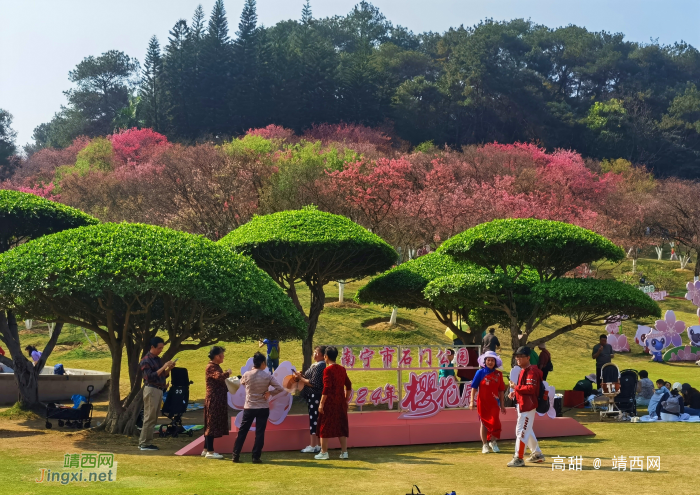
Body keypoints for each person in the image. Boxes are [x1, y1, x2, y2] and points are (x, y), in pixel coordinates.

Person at [232, 352, 284, 464]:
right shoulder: (267, 376)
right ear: (263, 363)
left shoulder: (247, 374)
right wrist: (269, 393)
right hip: (263, 407)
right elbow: (279, 388)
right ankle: (256, 457)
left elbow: (242, 383)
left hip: (249, 406)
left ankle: (235, 455)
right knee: (260, 433)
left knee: (243, 431)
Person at [507, 346, 545, 467]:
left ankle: (518, 457)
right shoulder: (525, 370)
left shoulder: (531, 371)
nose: (518, 358)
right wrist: (516, 392)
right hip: (525, 404)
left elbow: (530, 388)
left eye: (521, 356)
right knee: (526, 430)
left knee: (521, 431)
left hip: (528, 405)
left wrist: (515, 387)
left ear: (528, 358)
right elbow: (527, 388)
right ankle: (537, 454)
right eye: (517, 356)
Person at [315, 346, 352, 460]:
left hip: (330, 402)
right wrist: (345, 400)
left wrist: (321, 403)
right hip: (340, 402)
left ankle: (324, 452)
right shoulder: (342, 369)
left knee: (324, 427)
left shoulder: (327, 370)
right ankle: (344, 452)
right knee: (341, 426)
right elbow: (349, 385)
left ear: (325, 357)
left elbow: (326, 388)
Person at [138, 337, 175, 451]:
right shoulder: (145, 360)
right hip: (151, 389)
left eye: (162, 348)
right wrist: (164, 366)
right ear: (152, 347)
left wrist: (169, 369)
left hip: (159, 390)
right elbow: (150, 376)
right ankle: (144, 443)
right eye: (159, 348)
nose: (161, 350)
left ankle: (147, 442)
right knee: (149, 417)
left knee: (153, 417)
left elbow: (162, 375)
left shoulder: (157, 359)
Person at [469, 351, 506, 454]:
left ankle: (493, 442)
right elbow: (474, 388)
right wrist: (472, 401)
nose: (490, 362)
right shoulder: (480, 373)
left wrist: (502, 405)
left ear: (495, 362)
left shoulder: (499, 374)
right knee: (484, 423)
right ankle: (485, 444)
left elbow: (501, 390)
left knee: (495, 423)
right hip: (483, 402)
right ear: (485, 361)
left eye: (492, 360)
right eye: (488, 360)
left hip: (494, 403)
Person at [292, 345, 327, 453]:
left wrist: (300, 378)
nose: (315, 354)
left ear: (323, 355)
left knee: (314, 420)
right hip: (313, 397)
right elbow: (309, 379)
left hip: (315, 396)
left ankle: (313, 445)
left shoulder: (320, 366)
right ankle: (315, 444)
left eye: (317, 352)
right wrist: (301, 375)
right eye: (315, 352)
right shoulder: (316, 365)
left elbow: (313, 383)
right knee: (314, 420)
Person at [202, 346, 232, 460]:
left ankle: (205, 449)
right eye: (222, 355)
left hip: (218, 399)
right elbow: (219, 377)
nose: (223, 356)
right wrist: (227, 373)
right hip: (214, 399)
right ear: (216, 356)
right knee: (211, 424)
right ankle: (210, 451)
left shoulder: (216, 367)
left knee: (211, 423)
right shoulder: (211, 367)